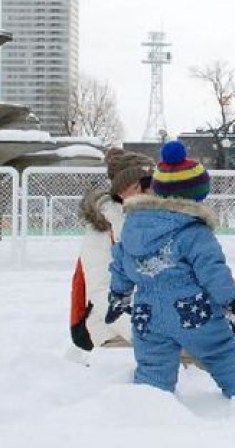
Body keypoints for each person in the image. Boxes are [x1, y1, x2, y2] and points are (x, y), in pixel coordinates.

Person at [106, 140, 235, 403]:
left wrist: (119, 296)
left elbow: (121, 261)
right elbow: (213, 271)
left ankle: (151, 404)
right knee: (220, 352)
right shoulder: (194, 232)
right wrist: (233, 305)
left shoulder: (132, 225)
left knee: (153, 364)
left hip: (147, 313)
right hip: (193, 311)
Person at [70, 148, 155, 351]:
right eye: (147, 183)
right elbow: (100, 291)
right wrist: (139, 331)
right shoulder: (103, 226)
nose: (153, 189)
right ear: (126, 188)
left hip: (159, 316)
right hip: (111, 322)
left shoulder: (158, 218)